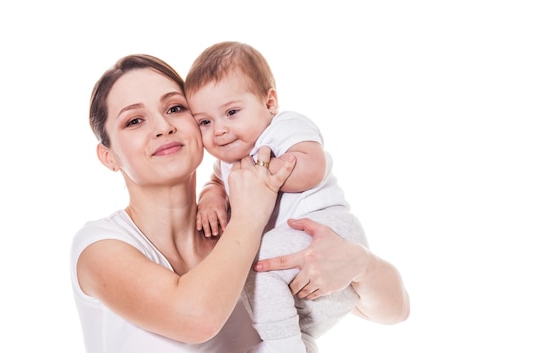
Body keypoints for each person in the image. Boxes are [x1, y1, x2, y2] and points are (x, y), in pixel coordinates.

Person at [70, 53, 410, 353]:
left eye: (175, 108)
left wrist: (360, 264)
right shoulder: (100, 248)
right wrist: (250, 213)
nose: (163, 127)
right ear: (108, 156)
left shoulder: (248, 226)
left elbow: (395, 310)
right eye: (135, 121)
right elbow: (197, 318)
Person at [184, 41, 379, 353]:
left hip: (326, 231)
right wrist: (212, 197)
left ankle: (284, 347)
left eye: (232, 112)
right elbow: (217, 182)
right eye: (205, 122)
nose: (219, 130)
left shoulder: (283, 127)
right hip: (298, 273)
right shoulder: (228, 161)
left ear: (269, 101)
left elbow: (313, 165)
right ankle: (296, 344)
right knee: (250, 276)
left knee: (258, 264)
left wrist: (265, 176)